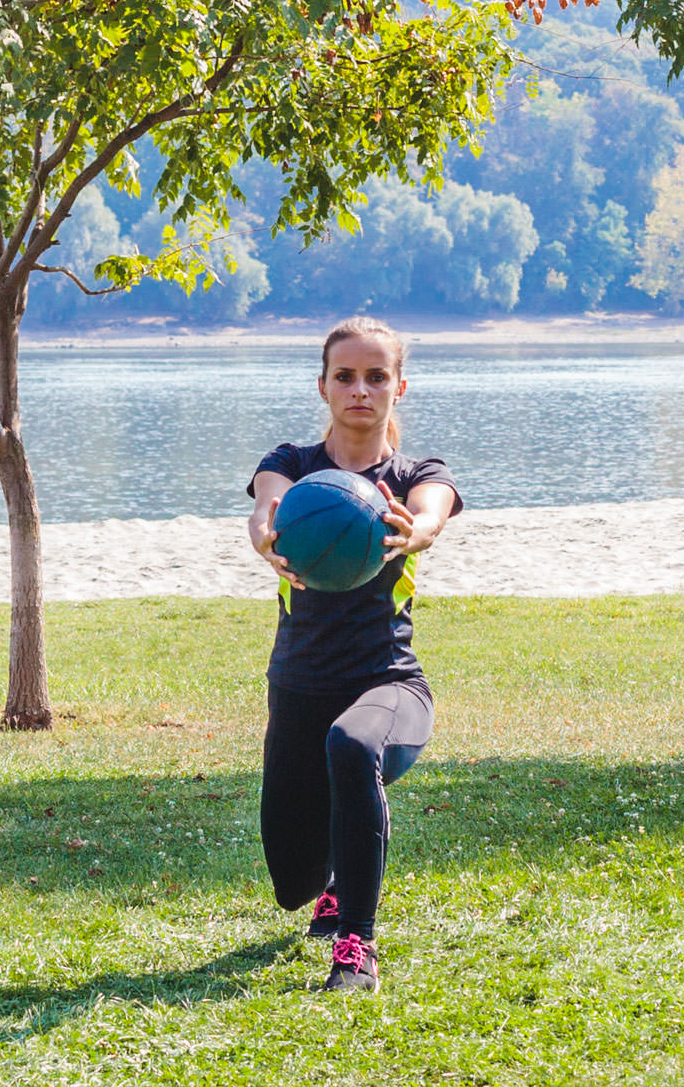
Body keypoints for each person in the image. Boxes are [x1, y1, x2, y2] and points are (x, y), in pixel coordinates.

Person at [246, 316, 462, 993]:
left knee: (353, 745)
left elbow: (433, 508)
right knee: (292, 881)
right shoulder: (293, 466)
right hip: (300, 686)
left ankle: (356, 948)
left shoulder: (416, 474)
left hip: (388, 685)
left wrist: (418, 529)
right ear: (323, 386)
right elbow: (267, 504)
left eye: (376, 377)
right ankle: (331, 881)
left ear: (400, 386)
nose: (360, 390)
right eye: (345, 376)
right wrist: (264, 534)